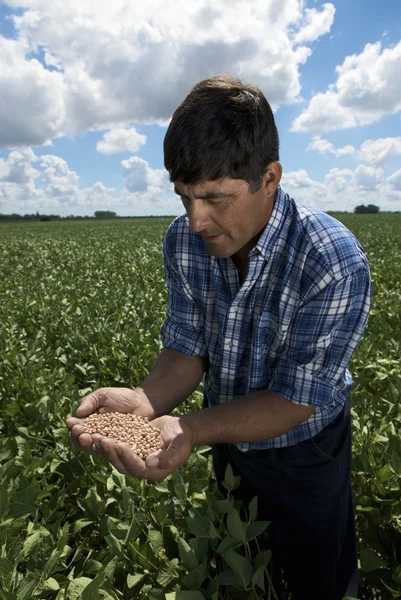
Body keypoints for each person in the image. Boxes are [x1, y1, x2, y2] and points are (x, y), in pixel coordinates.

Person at [67, 75, 372, 600]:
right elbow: (188, 347)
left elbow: (296, 400)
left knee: (318, 573)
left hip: (305, 450)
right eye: (184, 196)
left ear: (269, 178)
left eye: (215, 198)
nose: (196, 219)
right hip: (222, 434)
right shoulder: (184, 242)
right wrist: (144, 400)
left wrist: (189, 429)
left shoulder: (332, 260)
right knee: (241, 562)